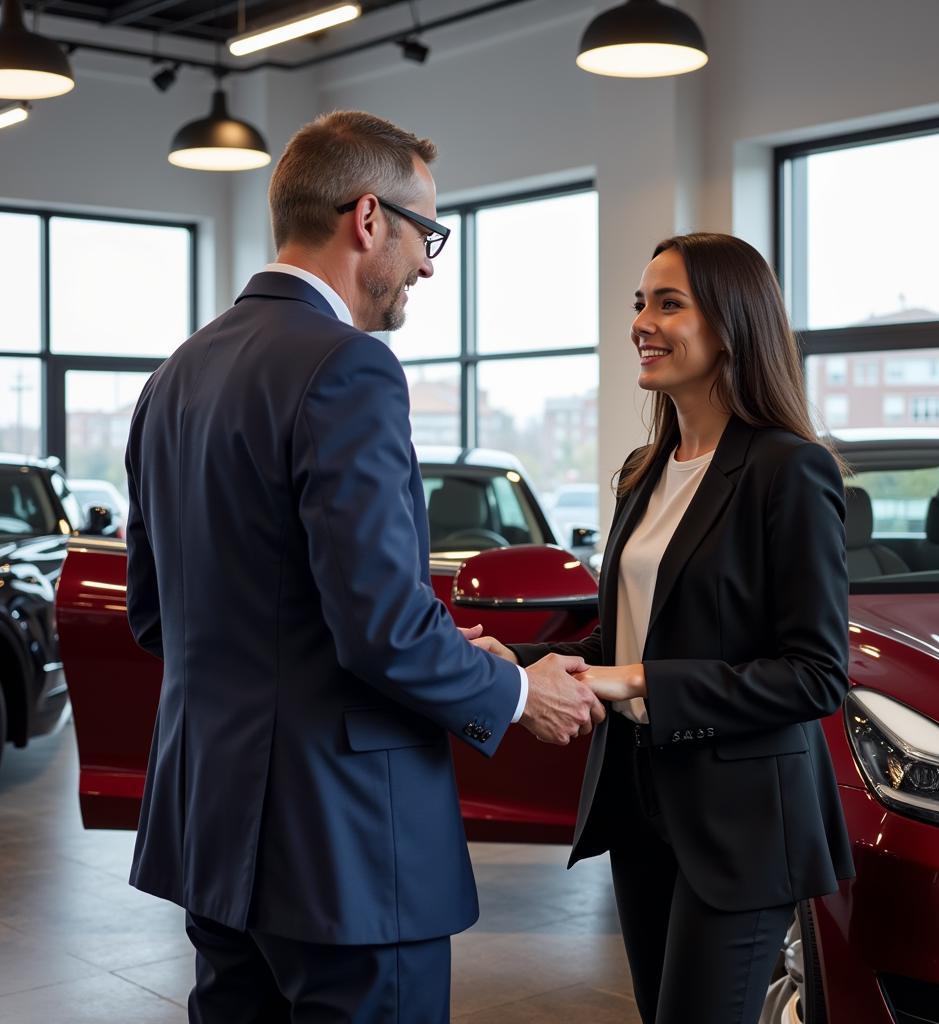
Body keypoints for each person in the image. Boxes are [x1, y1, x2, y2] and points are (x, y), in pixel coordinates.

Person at [123, 110, 603, 1024]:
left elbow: (161, 614)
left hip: (213, 832)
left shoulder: (175, 374)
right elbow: (379, 628)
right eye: (430, 233)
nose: (429, 263)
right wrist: (515, 690)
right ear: (369, 218)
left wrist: (438, 646)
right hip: (342, 849)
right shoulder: (350, 366)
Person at [475, 233, 854, 1024]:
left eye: (668, 303)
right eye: (639, 304)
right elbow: (624, 643)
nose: (642, 322)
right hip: (643, 798)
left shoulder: (789, 468)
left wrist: (638, 682)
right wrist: (524, 659)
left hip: (743, 820)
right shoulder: (644, 469)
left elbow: (815, 673)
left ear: (732, 323)